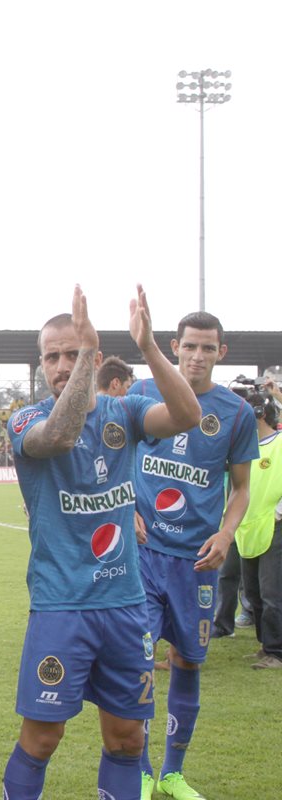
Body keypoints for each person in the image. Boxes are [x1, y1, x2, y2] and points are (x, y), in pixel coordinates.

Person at [1, 285, 200, 800]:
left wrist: (152, 348)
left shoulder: (126, 412)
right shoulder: (25, 420)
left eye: (73, 352)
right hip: (61, 606)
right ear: (41, 363)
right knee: (43, 737)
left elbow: (187, 416)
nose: (62, 363)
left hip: (125, 606)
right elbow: (60, 436)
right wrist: (90, 355)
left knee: (128, 738)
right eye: (53, 356)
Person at [128, 311, 257, 799]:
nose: (197, 356)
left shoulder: (236, 413)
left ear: (221, 354)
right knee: (137, 662)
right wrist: (124, 508)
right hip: (141, 556)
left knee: (187, 662)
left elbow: (241, 487)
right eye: (190, 346)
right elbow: (115, 457)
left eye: (208, 348)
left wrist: (226, 535)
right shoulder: (143, 390)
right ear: (173, 346)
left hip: (196, 563)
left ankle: (174, 773)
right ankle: (140, 771)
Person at [233, 384, 282, 670]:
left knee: (272, 593)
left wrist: (277, 513)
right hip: (248, 527)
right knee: (252, 592)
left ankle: (277, 651)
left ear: (258, 414)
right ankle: (266, 645)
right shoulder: (244, 448)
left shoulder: (279, 443)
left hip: (274, 526)